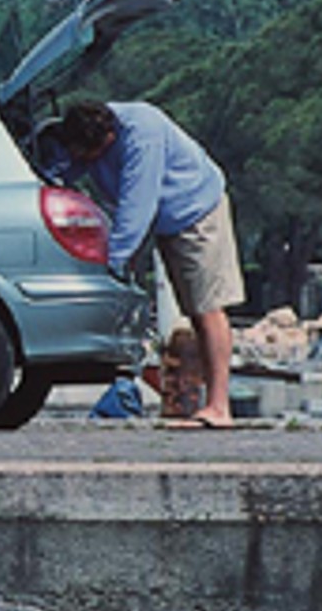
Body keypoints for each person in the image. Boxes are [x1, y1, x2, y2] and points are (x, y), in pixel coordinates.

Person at [48, 99, 244, 428]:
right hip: (166, 222)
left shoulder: (143, 135)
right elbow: (69, 167)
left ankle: (219, 407)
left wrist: (114, 265)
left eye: (89, 154)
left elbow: (136, 207)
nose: (84, 161)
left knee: (207, 308)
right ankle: (212, 405)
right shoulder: (91, 129)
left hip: (195, 212)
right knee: (194, 310)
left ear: (107, 139)